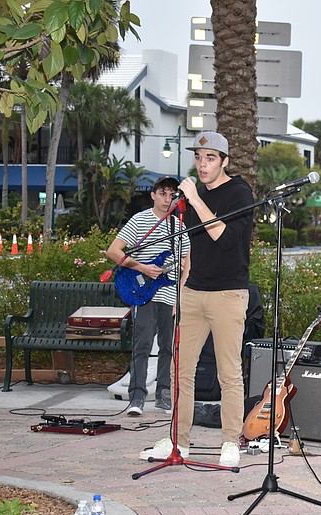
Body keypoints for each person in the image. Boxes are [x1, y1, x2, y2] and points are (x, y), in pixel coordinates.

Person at [139, 131, 254, 467]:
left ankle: (231, 441)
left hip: (228, 294)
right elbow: (193, 250)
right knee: (181, 370)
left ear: (225, 161)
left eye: (210, 158)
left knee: (228, 373)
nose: (202, 165)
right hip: (194, 293)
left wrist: (196, 199)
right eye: (199, 157)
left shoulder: (239, 192)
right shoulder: (194, 197)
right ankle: (179, 441)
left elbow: (224, 238)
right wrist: (182, 291)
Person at [106, 177, 190, 416]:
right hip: (143, 292)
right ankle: (137, 397)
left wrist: (180, 297)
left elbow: (187, 264)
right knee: (142, 344)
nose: (167, 199)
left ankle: (163, 394)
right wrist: (141, 267)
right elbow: (114, 251)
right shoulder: (140, 220)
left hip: (169, 293)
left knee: (168, 346)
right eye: (163, 194)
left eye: (172, 195)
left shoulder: (179, 226)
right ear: (153, 195)